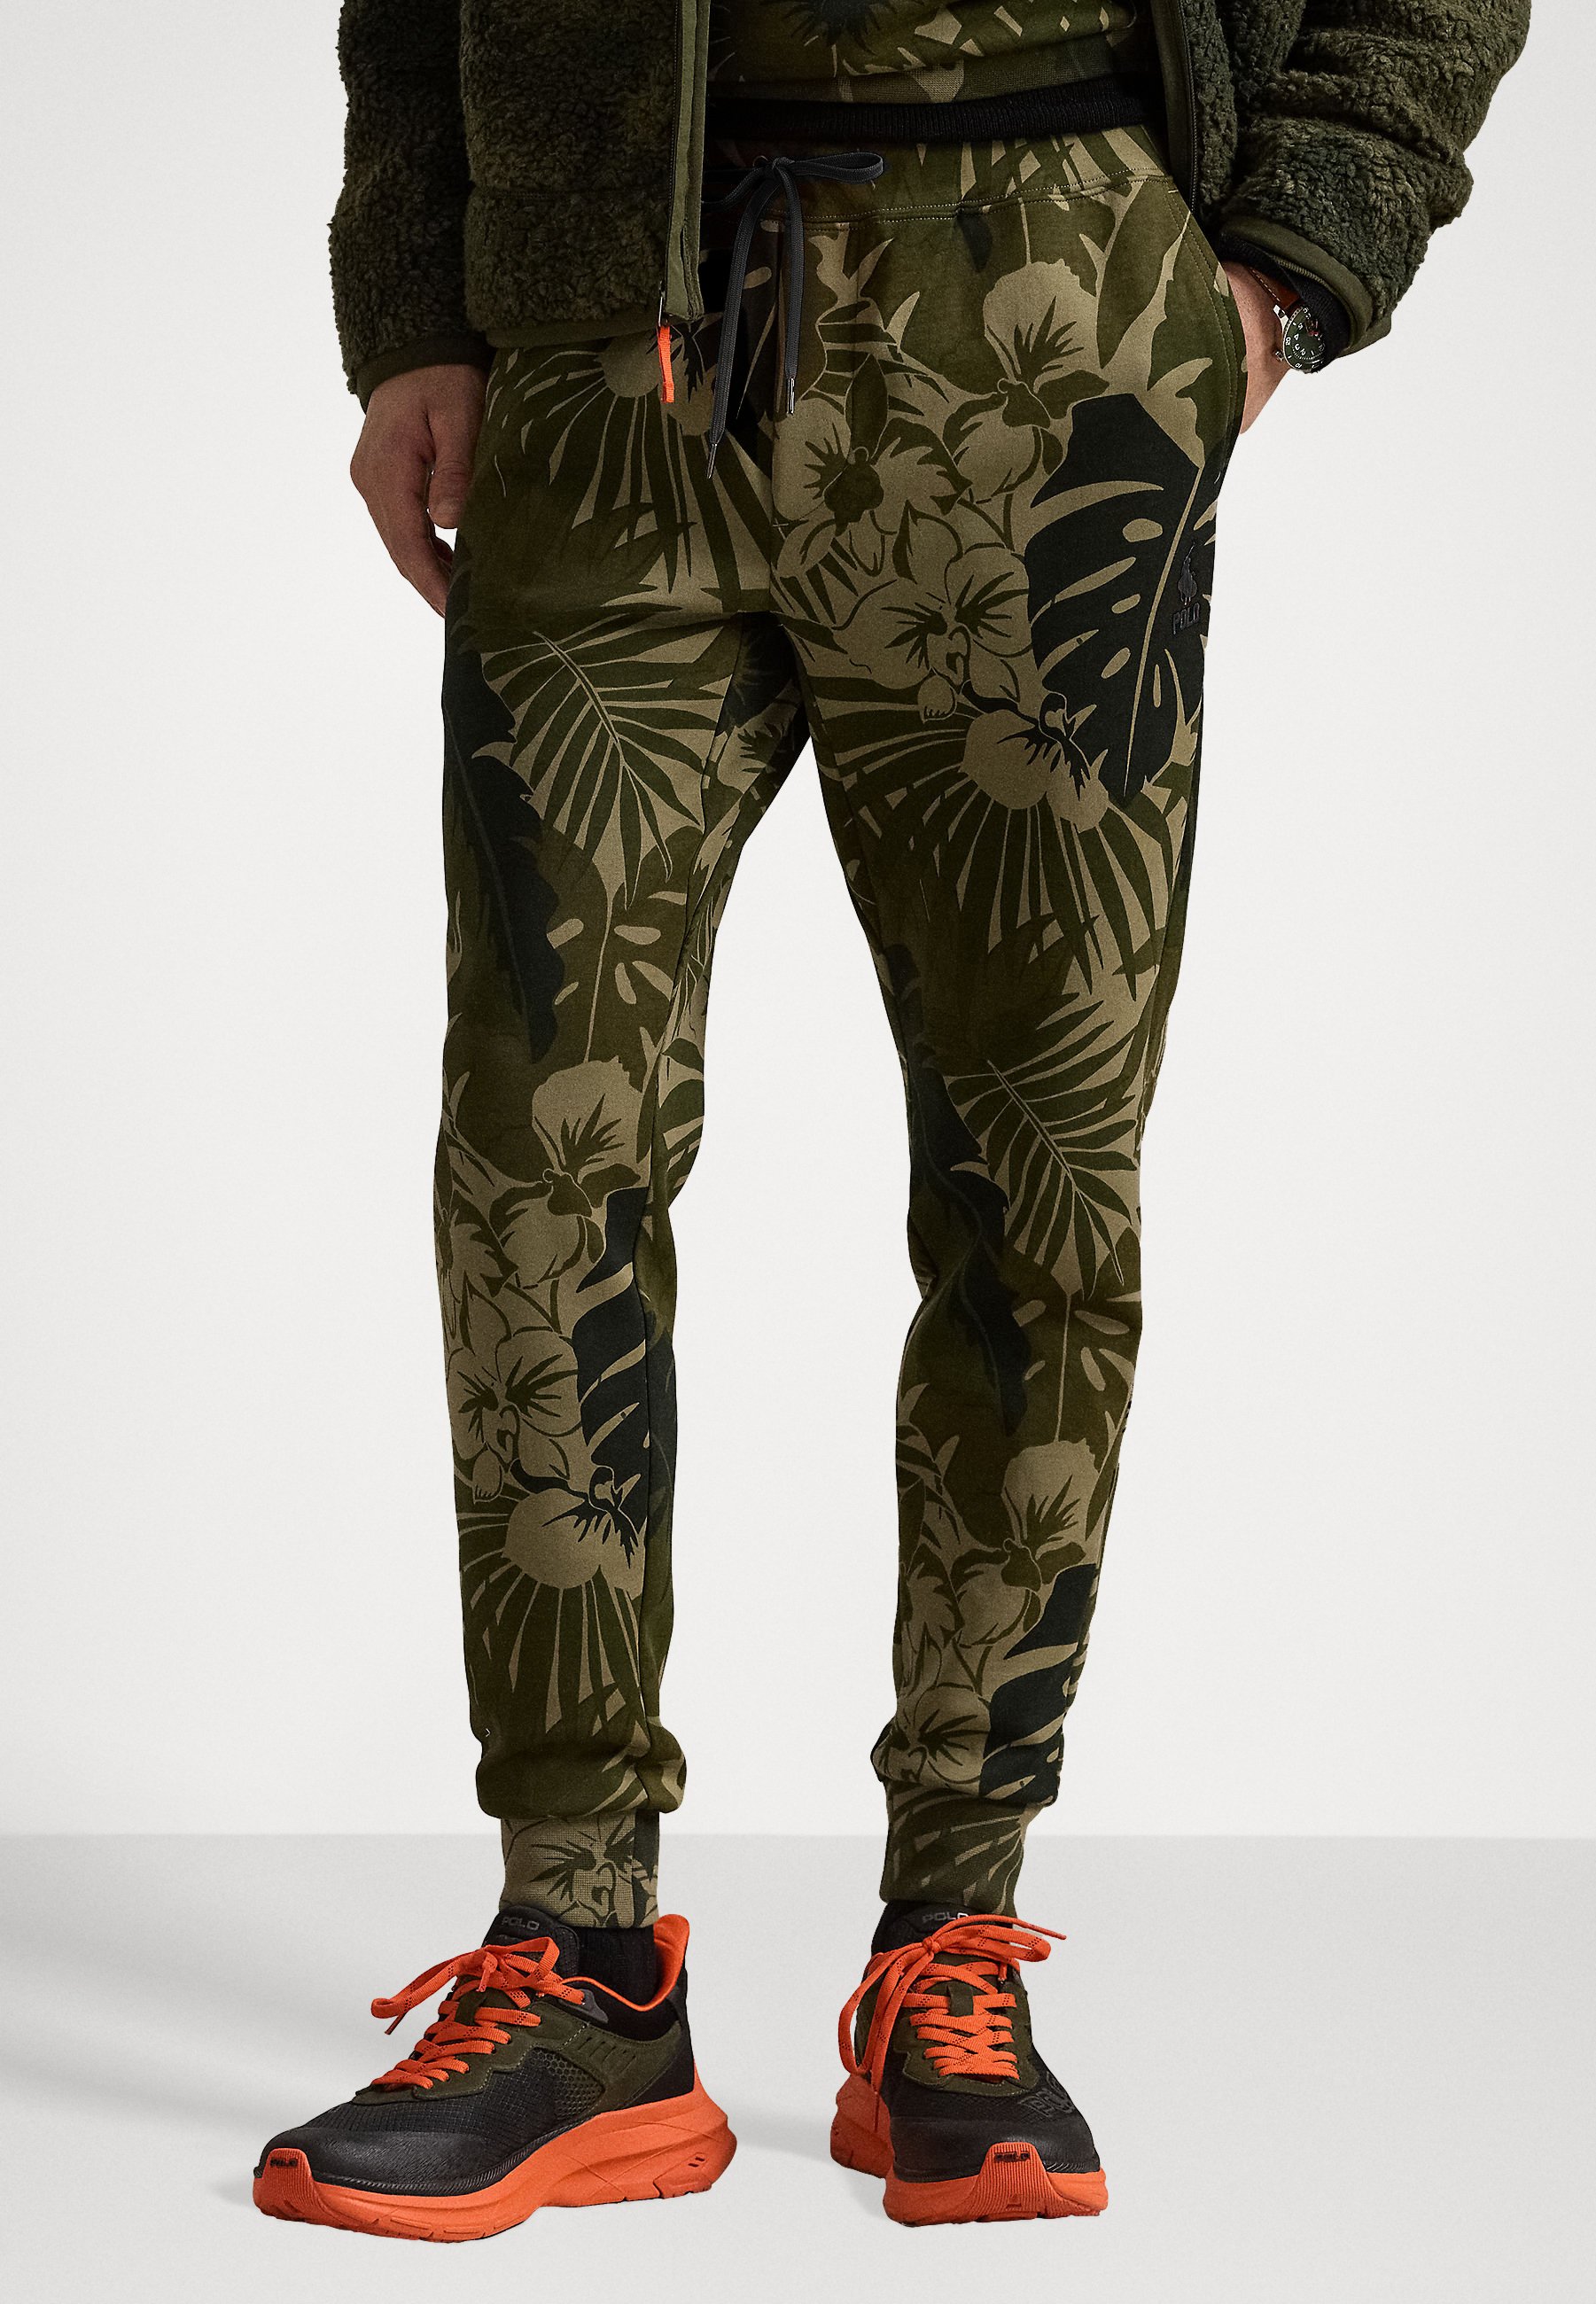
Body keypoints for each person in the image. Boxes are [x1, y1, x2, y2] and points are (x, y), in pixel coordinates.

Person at [253, 0, 1529, 2240]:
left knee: (1038, 1162)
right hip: (599, 339)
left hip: (1047, 301)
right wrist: (417, 302)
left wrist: (1291, 264)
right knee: (540, 1152)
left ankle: (953, 1941)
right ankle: (578, 1961)